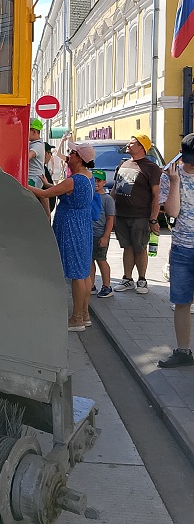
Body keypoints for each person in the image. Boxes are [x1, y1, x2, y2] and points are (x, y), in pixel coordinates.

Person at [28, 141, 96, 331]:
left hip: (72, 227)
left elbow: (44, 194)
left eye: (72, 153)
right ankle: (85, 314)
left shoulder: (73, 180)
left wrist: (22, 184)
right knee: (83, 272)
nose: (69, 155)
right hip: (83, 225)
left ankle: (76, 319)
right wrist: (49, 184)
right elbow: (62, 191)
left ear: (79, 158)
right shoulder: (88, 177)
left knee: (77, 274)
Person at [157, 135, 194, 367]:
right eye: (189, 160)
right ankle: (183, 352)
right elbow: (172, 212)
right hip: (182, 248)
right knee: (182, 302)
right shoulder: (171, 176)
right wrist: (174, 183)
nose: (192, 165)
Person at [111, 134, 162, 294]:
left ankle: (142, 280)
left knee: (140, 248)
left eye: (132, 143)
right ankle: (127, 279)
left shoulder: (151, 168)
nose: (128, 145)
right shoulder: (123, 164)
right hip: (121, 214)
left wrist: (153, 219)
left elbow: (156, 195)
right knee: (127, 247)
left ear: (142, 147)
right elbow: (115, 189)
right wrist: (109, 211)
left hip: (140, 215)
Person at [90, 169, 115, 297]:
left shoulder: (107, 199)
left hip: (100, 234)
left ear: (104, 182)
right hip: (89, 234)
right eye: (93, 180)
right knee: (90, 260)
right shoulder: (89, 196)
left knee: (101, 260)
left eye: (98, 180)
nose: (96, 183)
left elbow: (110, 219)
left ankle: (107, 286)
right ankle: (91, 285)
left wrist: (105, 236)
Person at [42, 142, 57, 214]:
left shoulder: (42, 168)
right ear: (46, 154)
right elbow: (43, 193)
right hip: (43, 212)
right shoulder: (41, 170)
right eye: (50, 153)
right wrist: (47, 213)